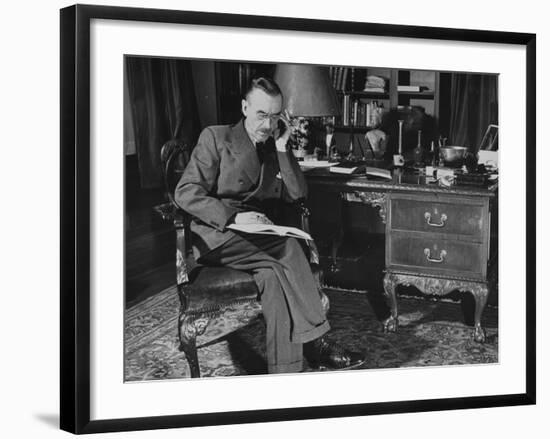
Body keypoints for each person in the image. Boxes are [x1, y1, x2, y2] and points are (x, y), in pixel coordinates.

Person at [175, 77, 364, 374]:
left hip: (259, 237)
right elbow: (186, 191)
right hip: (219, 235)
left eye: (275, 115)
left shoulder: (274, 145)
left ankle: (284, 372)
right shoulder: (216, 137)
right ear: (244, 107)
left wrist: (280, 147)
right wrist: (234, 217)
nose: (267, 123)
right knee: (288, 248)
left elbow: (298, 193)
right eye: (261, 114)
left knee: (273, 277)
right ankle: (318, 343)